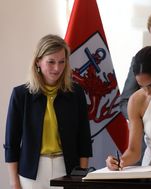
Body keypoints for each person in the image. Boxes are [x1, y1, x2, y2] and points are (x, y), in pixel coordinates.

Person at [4, 34, 93, 189]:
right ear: (38, 61)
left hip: (68, 170)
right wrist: (14, 182)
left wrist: (82, 174)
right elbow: (11, 143)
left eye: (61, 62)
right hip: (32, 173)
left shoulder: (75, 93)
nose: (57, 68)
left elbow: (84, 139)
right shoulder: (20, 95)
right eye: (51, 62)